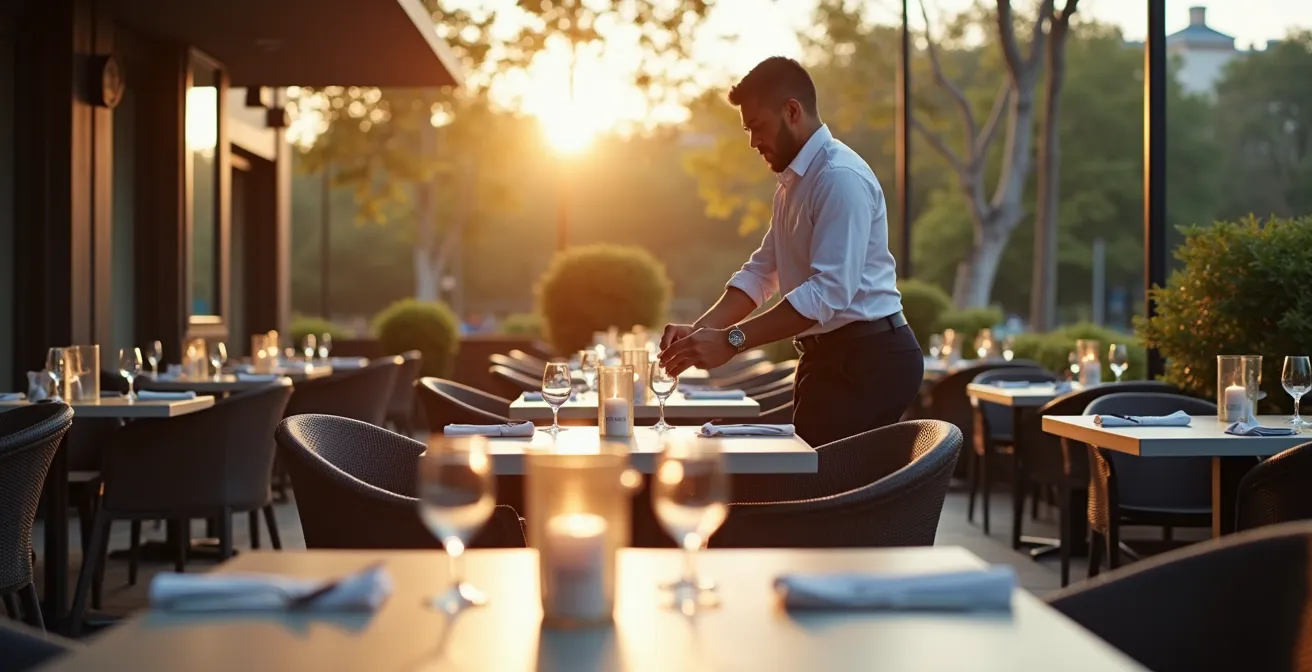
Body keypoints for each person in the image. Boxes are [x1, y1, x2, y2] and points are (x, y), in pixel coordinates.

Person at [657, 56, 924, 448]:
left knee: (816, 492)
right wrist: (700, 332)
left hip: (869, 360)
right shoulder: (793, 183)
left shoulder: (838, 178)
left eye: (757, 127)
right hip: (828, 358)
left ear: (792, 111)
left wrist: (731, 341)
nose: (752, 141)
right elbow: (763, 271)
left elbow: (829, 292)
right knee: (805, 484)